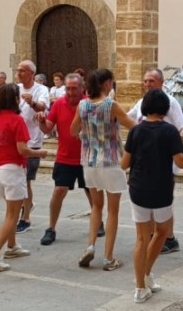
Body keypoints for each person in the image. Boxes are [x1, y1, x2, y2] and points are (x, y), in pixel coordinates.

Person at [122, 89, 183, 303]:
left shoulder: (136, 131)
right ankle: (145, 274)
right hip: (161, 187)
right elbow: (180, 162)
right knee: (162, 230)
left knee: (141, 237)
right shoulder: (169, 131)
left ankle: (141, 285)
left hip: (138, 187)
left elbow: (124, 163)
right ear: (165, 108)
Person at [71, 68, 135, 271]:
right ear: (107, 84)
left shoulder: (82, 105)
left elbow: (73, 130)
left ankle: (90, 246)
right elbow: (132, 125)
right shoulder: (111, 105)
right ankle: (108, 257)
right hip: (111, 161)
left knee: (96, 207)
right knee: (113, 211)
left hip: (89, 162)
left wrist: (86, 135)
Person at [0, 83, 48, 272]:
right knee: (13, 215)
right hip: (13, 169)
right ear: (14, 99)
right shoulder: (17, 120)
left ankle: (11, 246)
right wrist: (40, 153)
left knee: (10, 209)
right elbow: (22, 149)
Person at [127, 68, 183, 254]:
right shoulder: (142, 102)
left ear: (161, 83)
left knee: (163, 203)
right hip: (145, 160)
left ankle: (168, 238)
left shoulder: (170, 102)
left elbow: (182, 125)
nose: (147, 84)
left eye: (152, 81)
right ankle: (155, 237)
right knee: (152, 204)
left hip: (165, 161)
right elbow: (128, 118)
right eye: (145, 81)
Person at [38, 73, 94, 246]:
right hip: (64, 157)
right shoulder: (58, 104)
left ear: (82, 88)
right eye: (68, 88)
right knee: (59, 191)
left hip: (87, 158)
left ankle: (98, 222)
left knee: (91, 192)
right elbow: (48, 128)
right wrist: (41, 121)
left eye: (74, 88)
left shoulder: (89, 105)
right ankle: (51, 228)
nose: (70, 92)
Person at [13, 60, 49, 232]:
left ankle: (26, 218)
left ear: (31, 73)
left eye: (22, 70)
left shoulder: (41, 89)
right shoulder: (15, 88)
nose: (19, 73)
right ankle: (27, 205)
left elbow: (42, 106)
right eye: (18, 70)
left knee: (26, 181)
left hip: (32, 142)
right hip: (15, 141)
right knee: (17, 179)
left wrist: (32, 103)